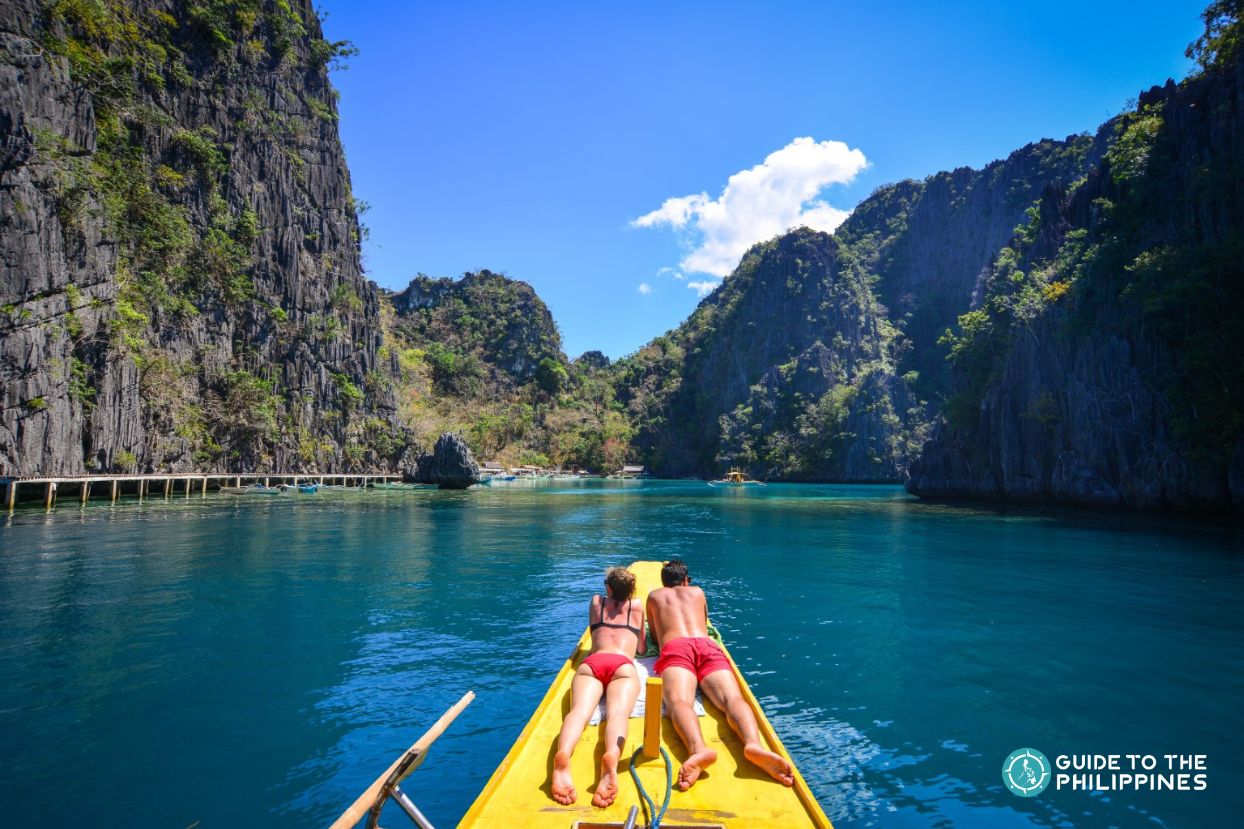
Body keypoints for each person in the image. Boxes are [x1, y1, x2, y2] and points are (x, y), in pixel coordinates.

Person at [646, 558, 794, 791]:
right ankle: (753, 745)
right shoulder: (697, 592)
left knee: (678, 701)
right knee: (732, 699)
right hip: (706, 646)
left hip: (676, 647)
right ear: (686, 580)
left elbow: (654, 637)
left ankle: (698, 750)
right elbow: (703, 624)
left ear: (665, 583)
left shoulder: (655, 596)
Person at [550, 567, 646, 807]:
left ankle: (563, 756)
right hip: (622, 666)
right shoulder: (637, 606)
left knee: (579, 713)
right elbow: (642, 649)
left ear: (608, 588)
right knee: (617, 714)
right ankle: (611, 757)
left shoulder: (596, 603)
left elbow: (593, 633)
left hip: (592, 664)